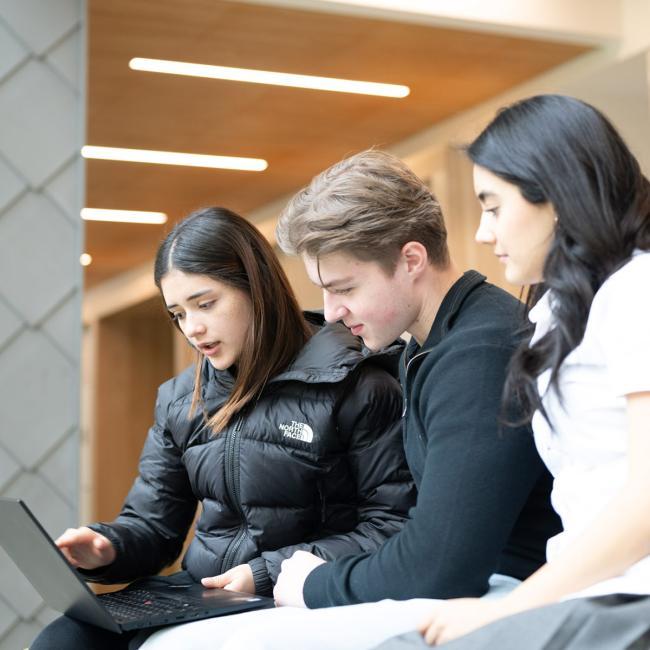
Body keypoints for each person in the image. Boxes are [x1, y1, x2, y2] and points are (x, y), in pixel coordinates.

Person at [139, 150, 560, 650]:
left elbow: (442, 562)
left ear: (410, 260)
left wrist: (312, 583)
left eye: (344, 288)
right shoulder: (425, 349)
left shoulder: (478, 352)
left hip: (510, 599)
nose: (333, 314)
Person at [31, 206, 415, 649]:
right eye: (177, 313)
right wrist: (108, 547)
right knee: (60, 641)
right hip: (202, 592)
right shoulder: (181, 399)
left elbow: (392, 524)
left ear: (258, 289)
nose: (193, 329)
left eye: (206, 304)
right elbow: (155, 528)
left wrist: (264, 572)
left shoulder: (355, 384)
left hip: (292, 595)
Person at [384, 94, 650, 648]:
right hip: (594, 592)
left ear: (553, 195)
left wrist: (512, 610)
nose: (482, 233)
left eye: (493, 205)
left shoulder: (635, 290)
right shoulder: (558, 311)